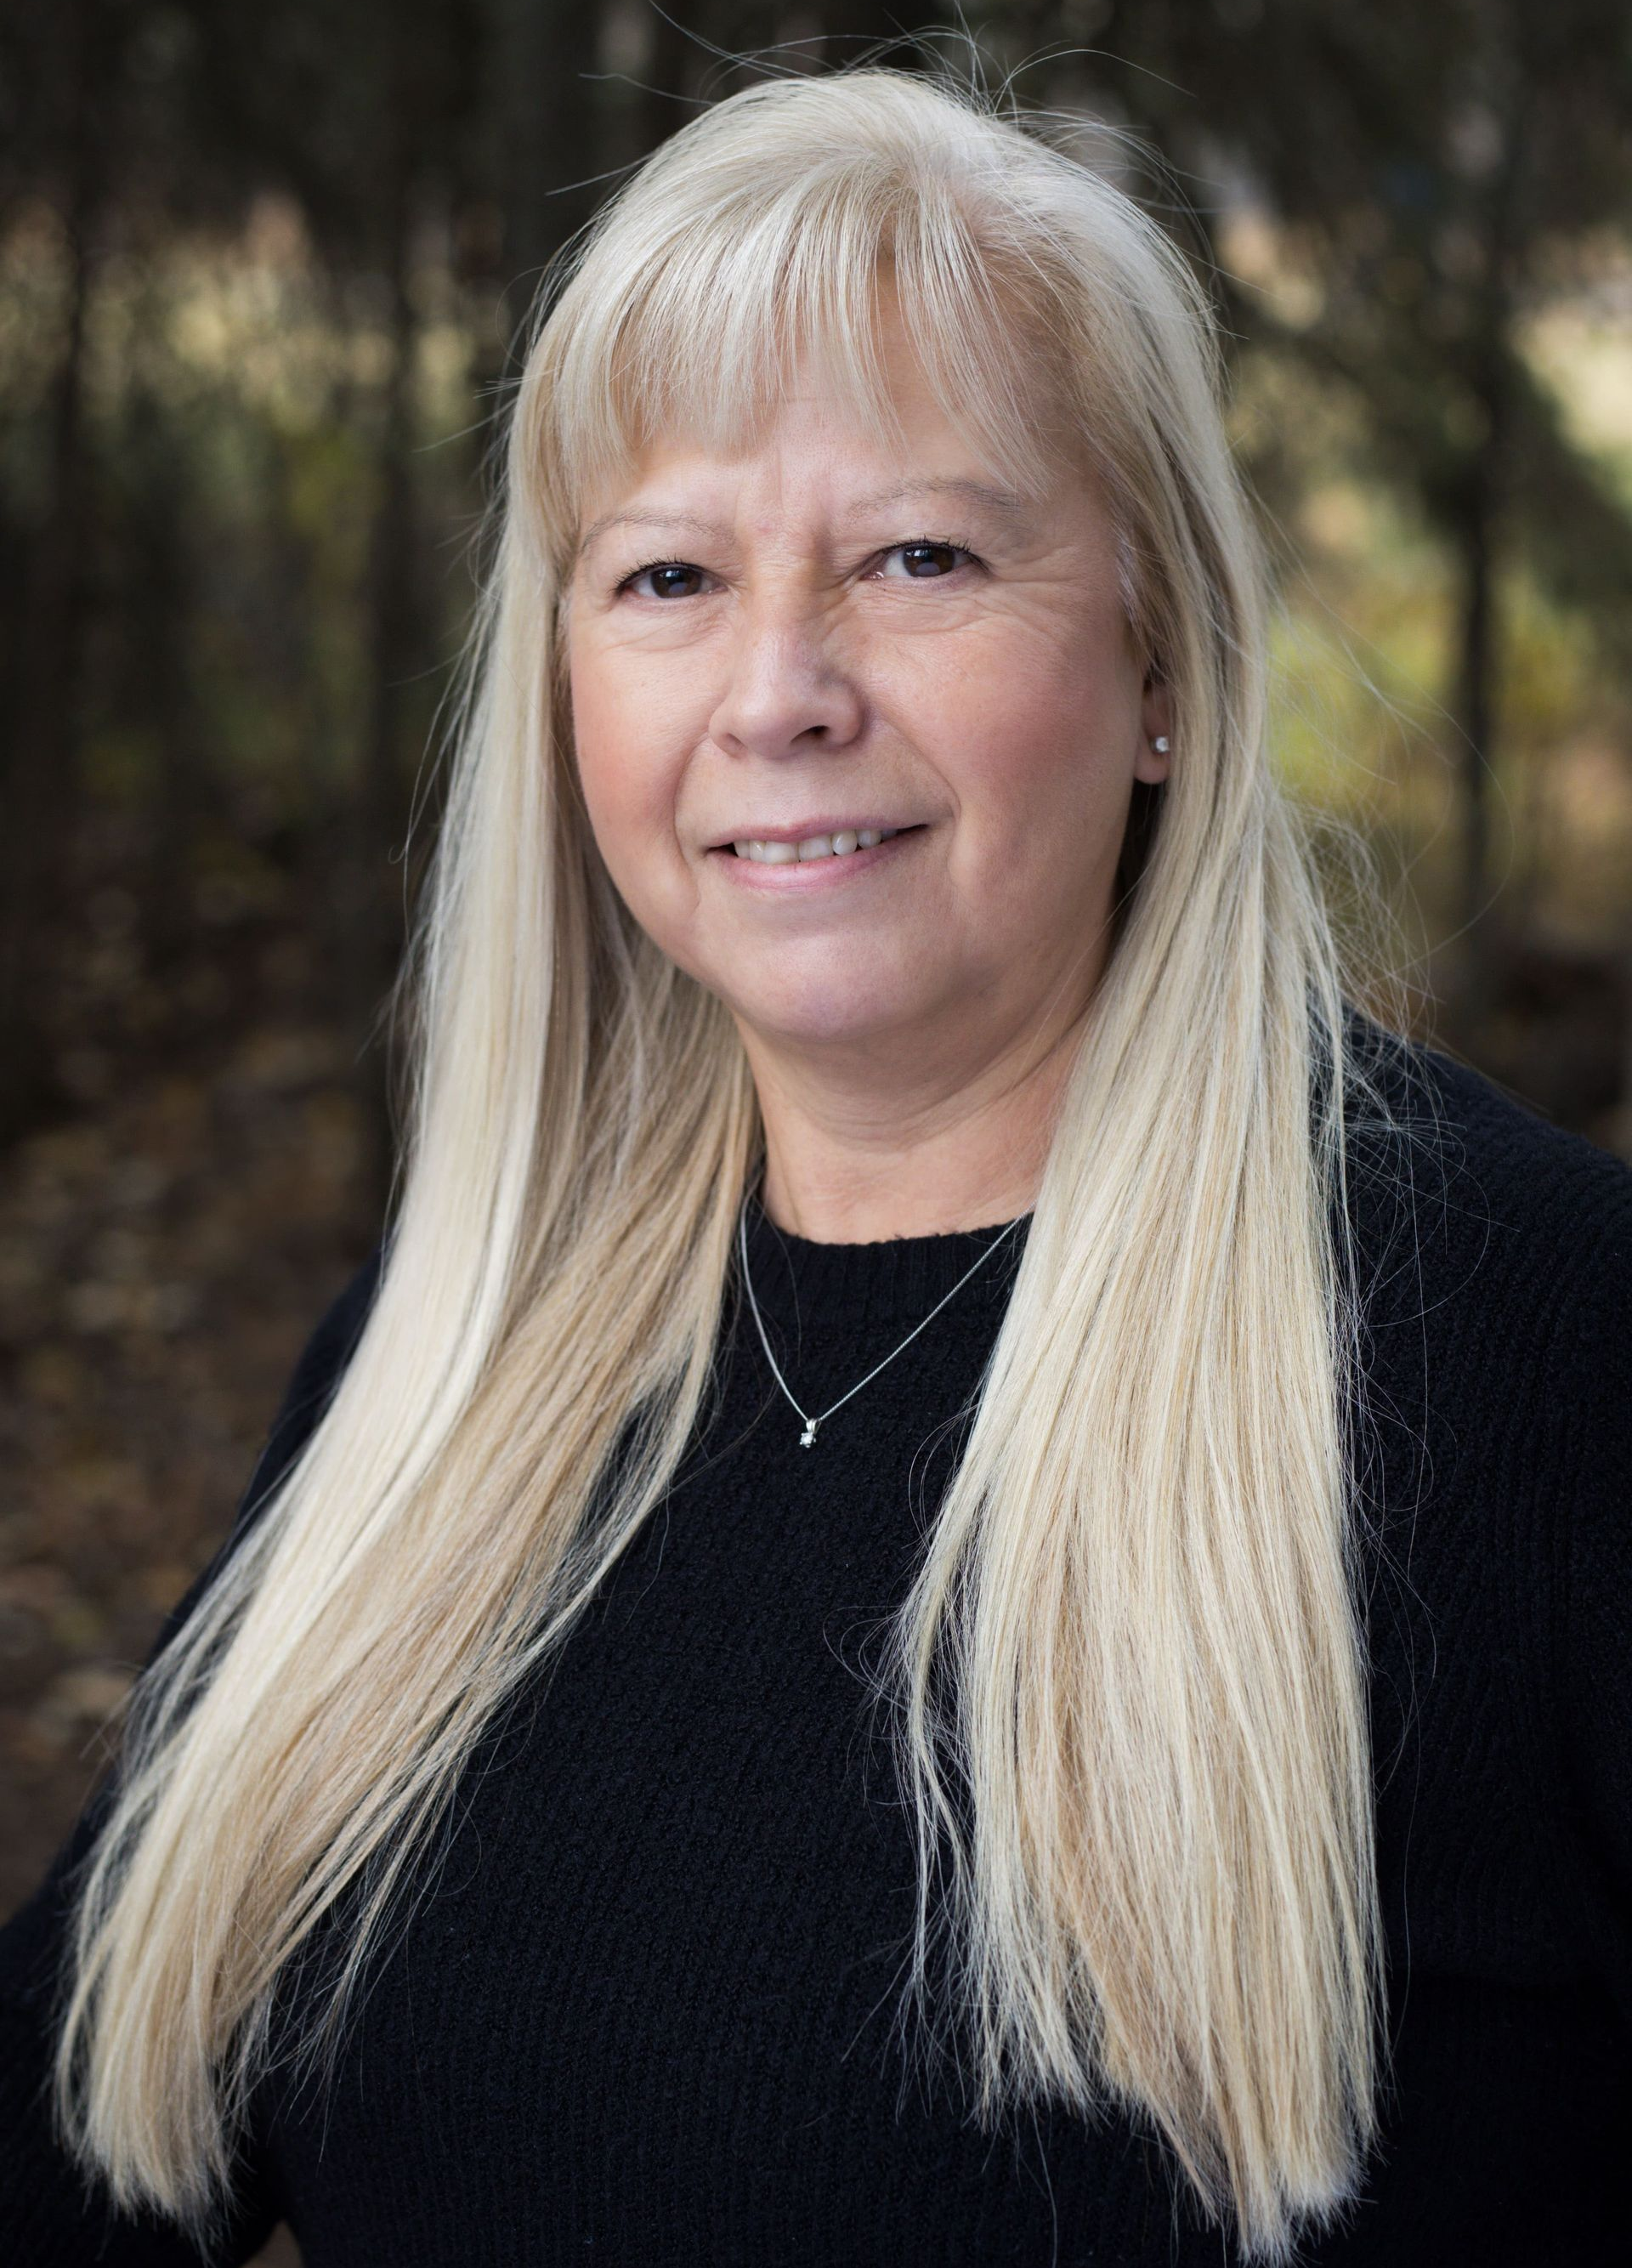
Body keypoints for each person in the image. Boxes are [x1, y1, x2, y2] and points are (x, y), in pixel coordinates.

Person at [3, 59, 1629, 2268]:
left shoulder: (1545, 1356)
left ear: (1161, 657)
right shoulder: (451, 1367)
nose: (777, 691)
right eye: (669, 574)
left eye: (919, 556)